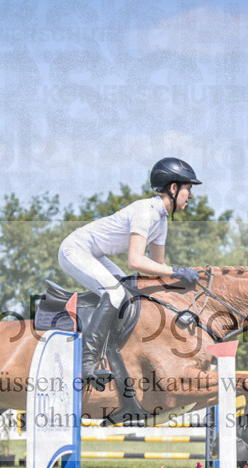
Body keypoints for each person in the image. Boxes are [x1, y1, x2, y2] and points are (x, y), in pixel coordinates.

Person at [58, 157, 202, 387]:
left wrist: (184, 285)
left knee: (126, 291)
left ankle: (110, 349)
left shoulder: (161, 221)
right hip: (74, 249)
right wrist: (176, 271)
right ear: (174, 188)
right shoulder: (146, 211)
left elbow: (156, 270)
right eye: (188, 189)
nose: (191, 196)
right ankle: (86, 362)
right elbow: (135, 261)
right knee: (115, 294)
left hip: (94, 254)